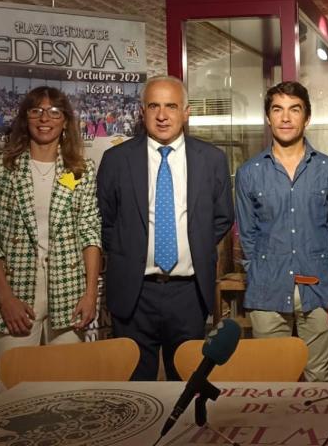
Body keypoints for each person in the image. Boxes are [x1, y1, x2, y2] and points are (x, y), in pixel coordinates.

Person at [97, 75, 233, 380]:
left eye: (171, 106)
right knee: (132, 394)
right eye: (154, 106)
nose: (162, 115)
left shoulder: (211, 160)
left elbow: (223, 216)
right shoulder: (116, 160)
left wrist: (194, 244)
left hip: (189, 294)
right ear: (142, 111)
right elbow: (105, 222)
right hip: (134, 293)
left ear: (186, 112)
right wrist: (130, 251)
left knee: (187, 384)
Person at [0, 86, 102, 387]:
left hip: (68, 295)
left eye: (55, 112)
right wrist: (6, 298)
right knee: (12, 391)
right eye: (36, 111)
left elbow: (89, 230)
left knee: (68, 390)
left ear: (65, 121)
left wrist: (91, 293)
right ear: (25, 118)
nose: (45, 118)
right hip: (17, 297)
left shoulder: (79, 170)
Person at [235, 81, 328, 382]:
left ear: (307, 118)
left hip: (317, 288)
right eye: (277, 110)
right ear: (268, 118)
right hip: (267, 290)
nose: (285, 118)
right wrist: (259, 271)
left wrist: (317, 258)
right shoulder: (249, 173)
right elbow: (247, 235)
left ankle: (319, 432)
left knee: (320, 378)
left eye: (294, 110)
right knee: (271, 381)